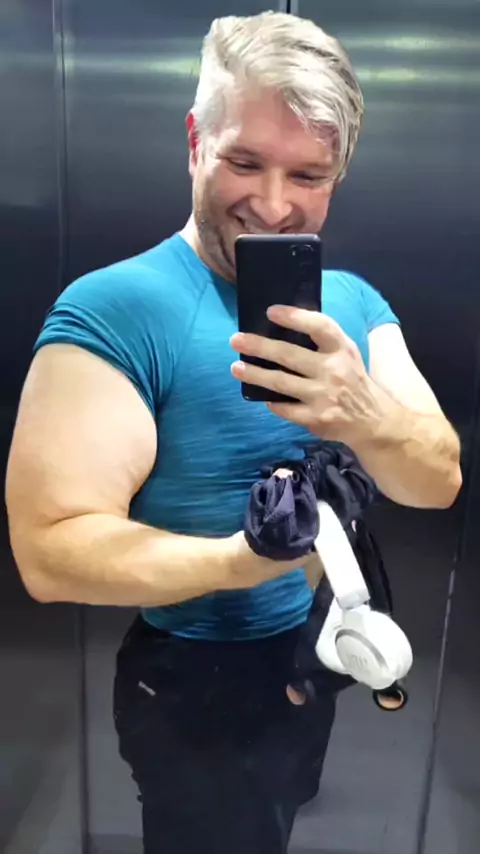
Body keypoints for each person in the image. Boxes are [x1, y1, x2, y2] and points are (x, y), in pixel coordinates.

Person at [5, 11, 461, 854]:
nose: (274, 205)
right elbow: (49, 550)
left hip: (311, 652)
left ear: (338, 176)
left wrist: (365, 417)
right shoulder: (113, 310)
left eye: (308, 174)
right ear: (195, 141)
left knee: (275, 823)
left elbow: (437, 482)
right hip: (190, 680)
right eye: (244, 162)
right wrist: (241, 559)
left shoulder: (354, 305)